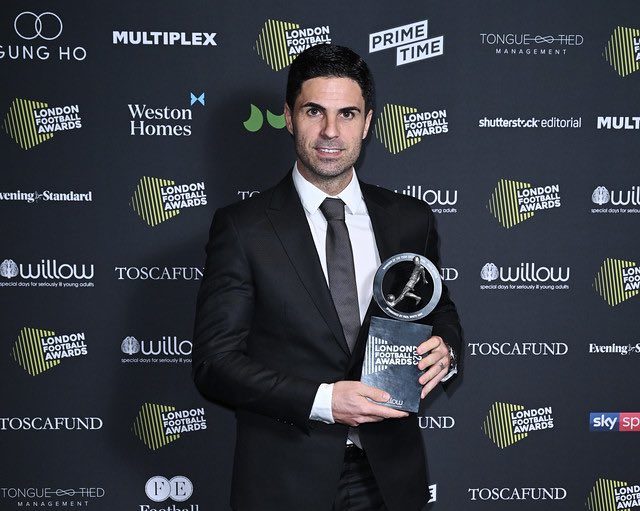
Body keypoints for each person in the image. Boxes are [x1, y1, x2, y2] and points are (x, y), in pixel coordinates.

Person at [192, 44, 462, 511]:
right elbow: (215, 364)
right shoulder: (243, 228)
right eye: (315, 111)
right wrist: (324, 401)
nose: (331, 131)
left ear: (369, 122)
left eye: (348, 113)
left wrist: (447, 349)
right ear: (289, 117)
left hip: (390, 478)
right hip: (285, 479)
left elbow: (439, 311)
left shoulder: (409, 219)